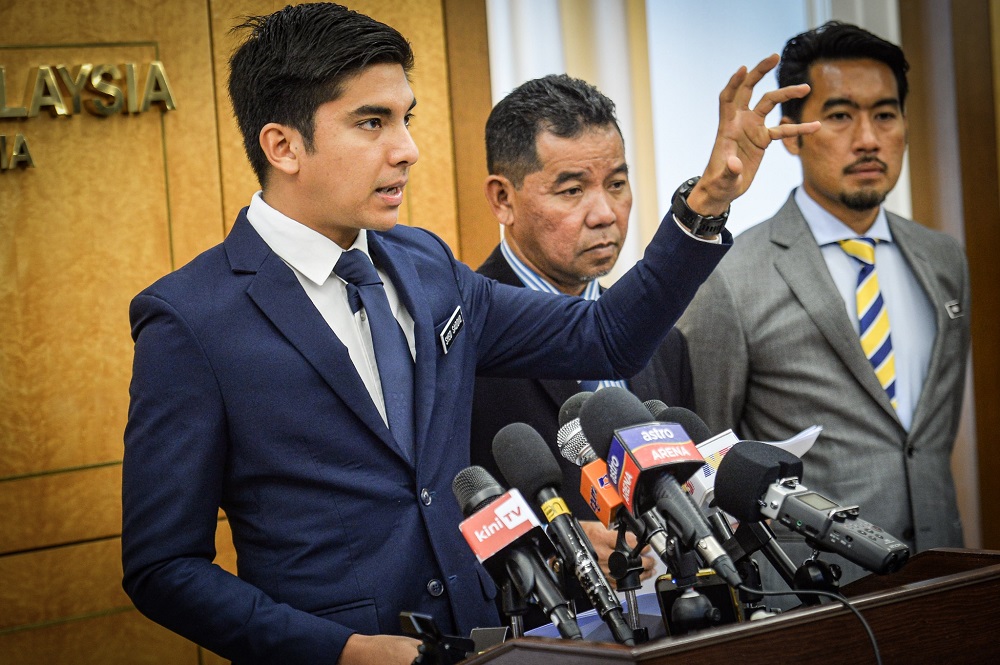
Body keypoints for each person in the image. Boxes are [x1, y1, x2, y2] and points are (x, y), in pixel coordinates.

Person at [120, 3, 817, 664]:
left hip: (495, 641)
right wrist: (334, 650)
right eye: (372, 123)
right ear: (283, 145)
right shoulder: (189, 318)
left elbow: (609, 336)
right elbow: (162, 565)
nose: (408, 149)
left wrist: (706, 204)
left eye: (406, 118)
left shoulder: (425, 266)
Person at [677, 21, 971, 598]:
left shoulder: (944, 259)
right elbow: (712, 460)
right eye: (839, 116)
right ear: (790, 135)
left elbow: (926, 437)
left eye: (885, 115)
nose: (867, 138)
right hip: (817, 593)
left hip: (946, 580)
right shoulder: (730, 278)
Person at [469, 74, 692, 589]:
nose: (605, 213)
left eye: (616, 184)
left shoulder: (664, 341)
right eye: (572, 191)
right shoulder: (460, 338)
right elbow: (446, 506)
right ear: (503, 199)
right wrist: (553, 550)